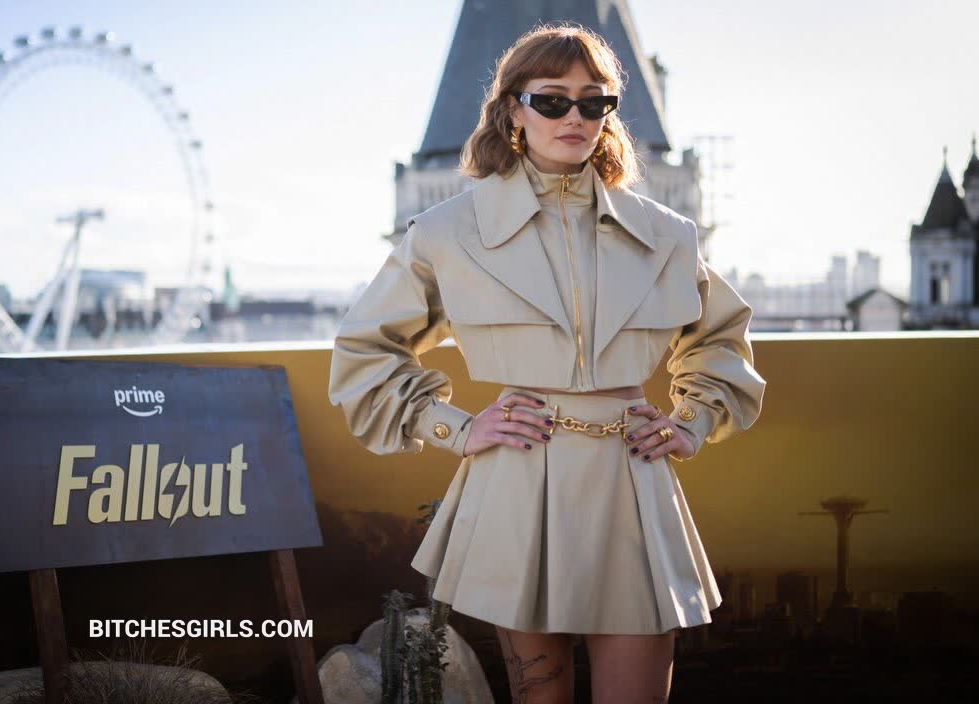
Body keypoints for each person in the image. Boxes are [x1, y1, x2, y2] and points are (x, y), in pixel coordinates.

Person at [328, 22, 766, 704]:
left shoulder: (666, 234)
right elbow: (366, 347)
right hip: (515, 484)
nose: (575, 117)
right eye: (553, 100)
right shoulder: (447, 232)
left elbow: (720, 341)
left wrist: (692, 422)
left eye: (595, 102)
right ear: (514, 109)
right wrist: (455, 427)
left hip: (633, 482)